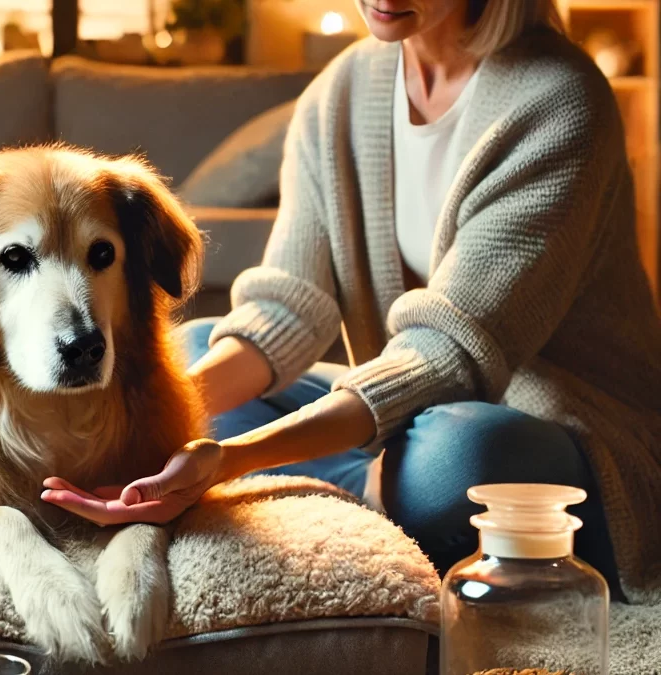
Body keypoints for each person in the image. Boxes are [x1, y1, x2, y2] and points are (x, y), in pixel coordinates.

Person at [42, 0, 661, 603]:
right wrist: (154, 430)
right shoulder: (341, 89)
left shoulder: (557, 99)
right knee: (194, 349)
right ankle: (359, 488)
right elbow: (288, 310)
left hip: (556, 432)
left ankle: (328, 488)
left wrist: (228, 458)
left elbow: (445, 355)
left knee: (456, 458)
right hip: (407, 414)